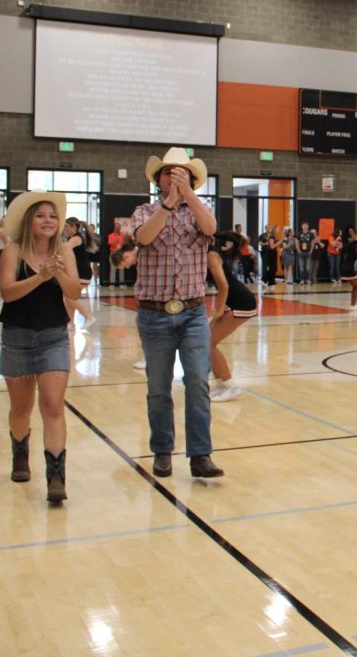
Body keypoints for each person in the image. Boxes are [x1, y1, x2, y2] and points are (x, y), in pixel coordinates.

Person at [132, 148, 223, 479]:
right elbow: (142, 238)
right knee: (158, 386)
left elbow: (211, 228)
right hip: (154, 315)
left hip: (193, 313)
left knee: (198, 381)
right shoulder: (144, 211)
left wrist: (189, 197)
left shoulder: (199, 211)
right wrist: (169, 204)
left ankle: (200, 454)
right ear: (158, 179)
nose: (175, 177)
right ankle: (162, 450)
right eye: (169, 172)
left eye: (182, 173)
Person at [0, 192, 80, 504]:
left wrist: (56, 272)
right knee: (21, 409)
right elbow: (7, 292)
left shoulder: (63, 252)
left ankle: (56, 476)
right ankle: (20, 452)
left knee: (53, 406)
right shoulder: (13, 251)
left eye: (53, 216)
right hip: (17, 338)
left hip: (53, 337)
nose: (48, 221)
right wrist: (40, 277)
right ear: (29, 221)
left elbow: (74, 291)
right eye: (41, 215)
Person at [207, 231, 257, 402]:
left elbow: (224, 286)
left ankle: (231, 386)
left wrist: (219, 310)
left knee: (209, 343)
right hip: (232, 301)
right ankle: (221, 385)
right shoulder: (206, 253)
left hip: (242, 302)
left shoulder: (211, 254)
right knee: (206, 342)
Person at [61, 218, 94, 328]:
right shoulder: (72, 237)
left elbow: (66, 247)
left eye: (66, 226)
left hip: (82, 272)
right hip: (79, 271)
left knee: (70, 296)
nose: (64, 229)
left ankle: (88, 316)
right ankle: (70, 323)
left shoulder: (76, 238)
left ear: (72, 227)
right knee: (68, 297)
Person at [339, 226, 357, 311]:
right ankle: (353, 305)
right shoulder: (356, 246)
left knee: (356, 286)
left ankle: (353, 305)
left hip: (344, 267)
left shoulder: (348, 244)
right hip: (351, 268)